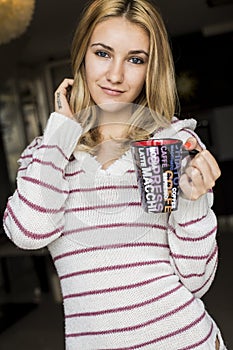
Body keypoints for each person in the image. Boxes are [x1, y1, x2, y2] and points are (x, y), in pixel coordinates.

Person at [3, 0, 226, 349]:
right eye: (103, 53)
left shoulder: (173, 143)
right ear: (82, 57)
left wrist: (194, 204)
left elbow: (195, 281)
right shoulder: (48, 151)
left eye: (135, 59)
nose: (116, 75)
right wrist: (62, 131)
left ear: (152, 69)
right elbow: (28, 232)